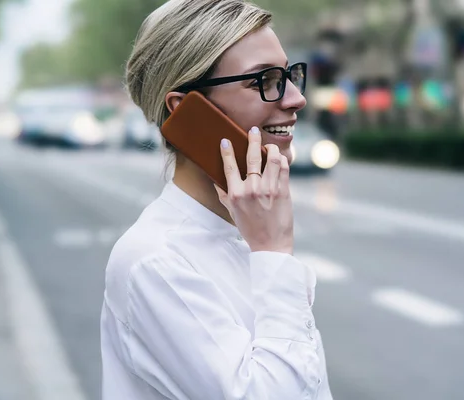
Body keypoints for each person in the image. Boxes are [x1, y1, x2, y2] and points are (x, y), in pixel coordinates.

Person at [100, 1, 333, 399]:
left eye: (291, 75)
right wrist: (274, 252)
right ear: (187, 110)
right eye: (265, 79)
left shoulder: (246, 235)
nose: (296, 99)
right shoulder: (155, 262)